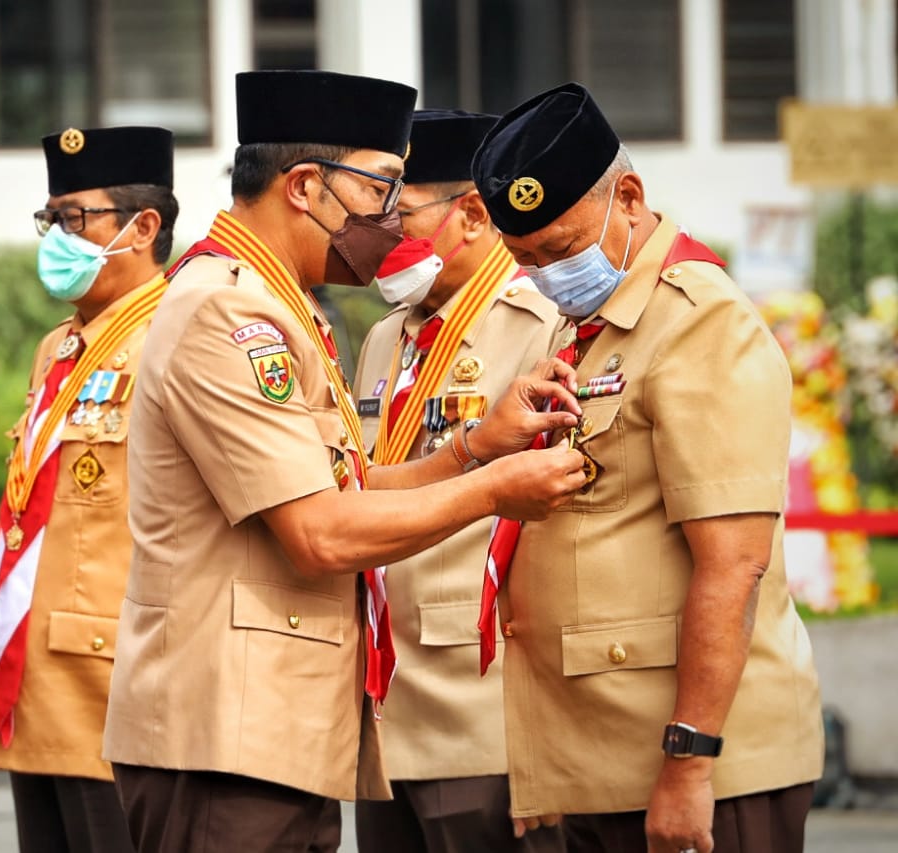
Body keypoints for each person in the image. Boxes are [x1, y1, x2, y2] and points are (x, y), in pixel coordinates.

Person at [102, 69, 590, 853]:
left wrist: (471, 448)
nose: (393, 219)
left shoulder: (277, 303)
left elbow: (345, 486)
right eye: (381, 187)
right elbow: (320, 533)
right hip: (228, 736)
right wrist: (496, 487)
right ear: (304, 186)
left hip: (268, 731)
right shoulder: (229, 311)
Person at [470, 82, 824, 853]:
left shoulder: (700, 322)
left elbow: (733, 566)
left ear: (628, 197)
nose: (544, 276)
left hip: (699, 768)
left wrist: (689, 762)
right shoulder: (589, 331)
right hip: (607, 756)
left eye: (559, 250)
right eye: (524, 260)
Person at [352, 108, 565, 853]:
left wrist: (542, 735)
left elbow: (555, 522)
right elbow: (364, 483)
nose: (383, 234)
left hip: (482, 711)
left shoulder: (541, 321)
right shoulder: (389, 334)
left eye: (400, 214)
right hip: (386, 703)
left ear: (473, 214)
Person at [0, 125, 178, 853]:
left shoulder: (175, 338)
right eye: (50, 219)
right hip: (39, 683)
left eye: (74, 218)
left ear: (143, 226)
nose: (55, 237)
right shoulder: (58, 348)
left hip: (117, 691)